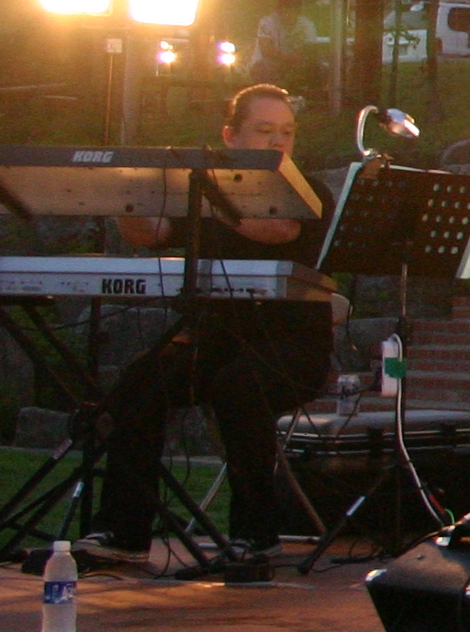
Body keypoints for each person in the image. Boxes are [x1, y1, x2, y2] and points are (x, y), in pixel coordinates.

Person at [85, 82, 333, 564]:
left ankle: (256, 534)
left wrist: (205, 194)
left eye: (287, 132)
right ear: (230, 137)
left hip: (292, 345)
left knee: (239, 387)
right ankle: (123, 532)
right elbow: (150, 232)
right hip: (215, 338)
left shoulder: (309, 191)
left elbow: (278, 230)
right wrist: (123, 194)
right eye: (265, 130)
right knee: (139, 384)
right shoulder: (203, 193)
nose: (278, 141)